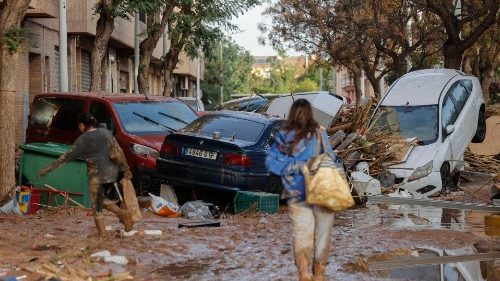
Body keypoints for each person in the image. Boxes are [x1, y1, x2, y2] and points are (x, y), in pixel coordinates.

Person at [266, 99, 335, 281]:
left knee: (303, 233)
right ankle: (316, 275)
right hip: (319, 192)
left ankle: (305, 273)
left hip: (298, 193)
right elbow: (331, 158)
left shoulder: (286, 135)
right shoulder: (319, 133)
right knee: (320, 235)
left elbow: (272, 162)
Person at [38, 112, 134, 237]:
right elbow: (118, 152)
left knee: (96, 207)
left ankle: (103, 234)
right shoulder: (106, 133)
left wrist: (46, 170)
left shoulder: (82, 140)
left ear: (82, 125)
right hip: (112, 173)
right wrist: (126, 169)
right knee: (101, 200)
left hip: (96, 176)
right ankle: (122, 215)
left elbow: (65, 158)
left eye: (79, 125)